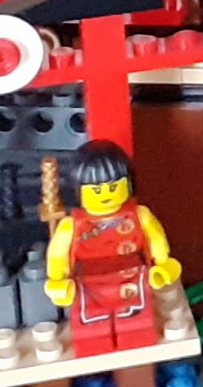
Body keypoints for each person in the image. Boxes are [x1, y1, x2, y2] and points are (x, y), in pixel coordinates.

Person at [42, 140, 180, 355]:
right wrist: (57, 279)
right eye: (96, 190)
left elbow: (156, 240)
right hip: (88, 285)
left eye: (114, 187)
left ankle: (136, 338)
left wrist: (163, 264)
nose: (106, 194)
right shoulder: (71, 225)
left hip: (132, 278)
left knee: (136, 322)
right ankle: (94, 345)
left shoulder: (139, 215)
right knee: (91, 327)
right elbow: (57, 254)